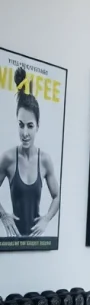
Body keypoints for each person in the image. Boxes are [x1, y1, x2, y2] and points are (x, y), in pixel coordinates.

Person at [0, 69, 61, 238]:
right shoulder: (8, 158)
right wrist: (3, 215)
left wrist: (47, 219)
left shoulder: (45, 160)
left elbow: (57, 196)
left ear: (38, 125)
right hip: (12, 243)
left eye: (30, 126)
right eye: (21, 125)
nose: (25, 133)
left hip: (36, 244)